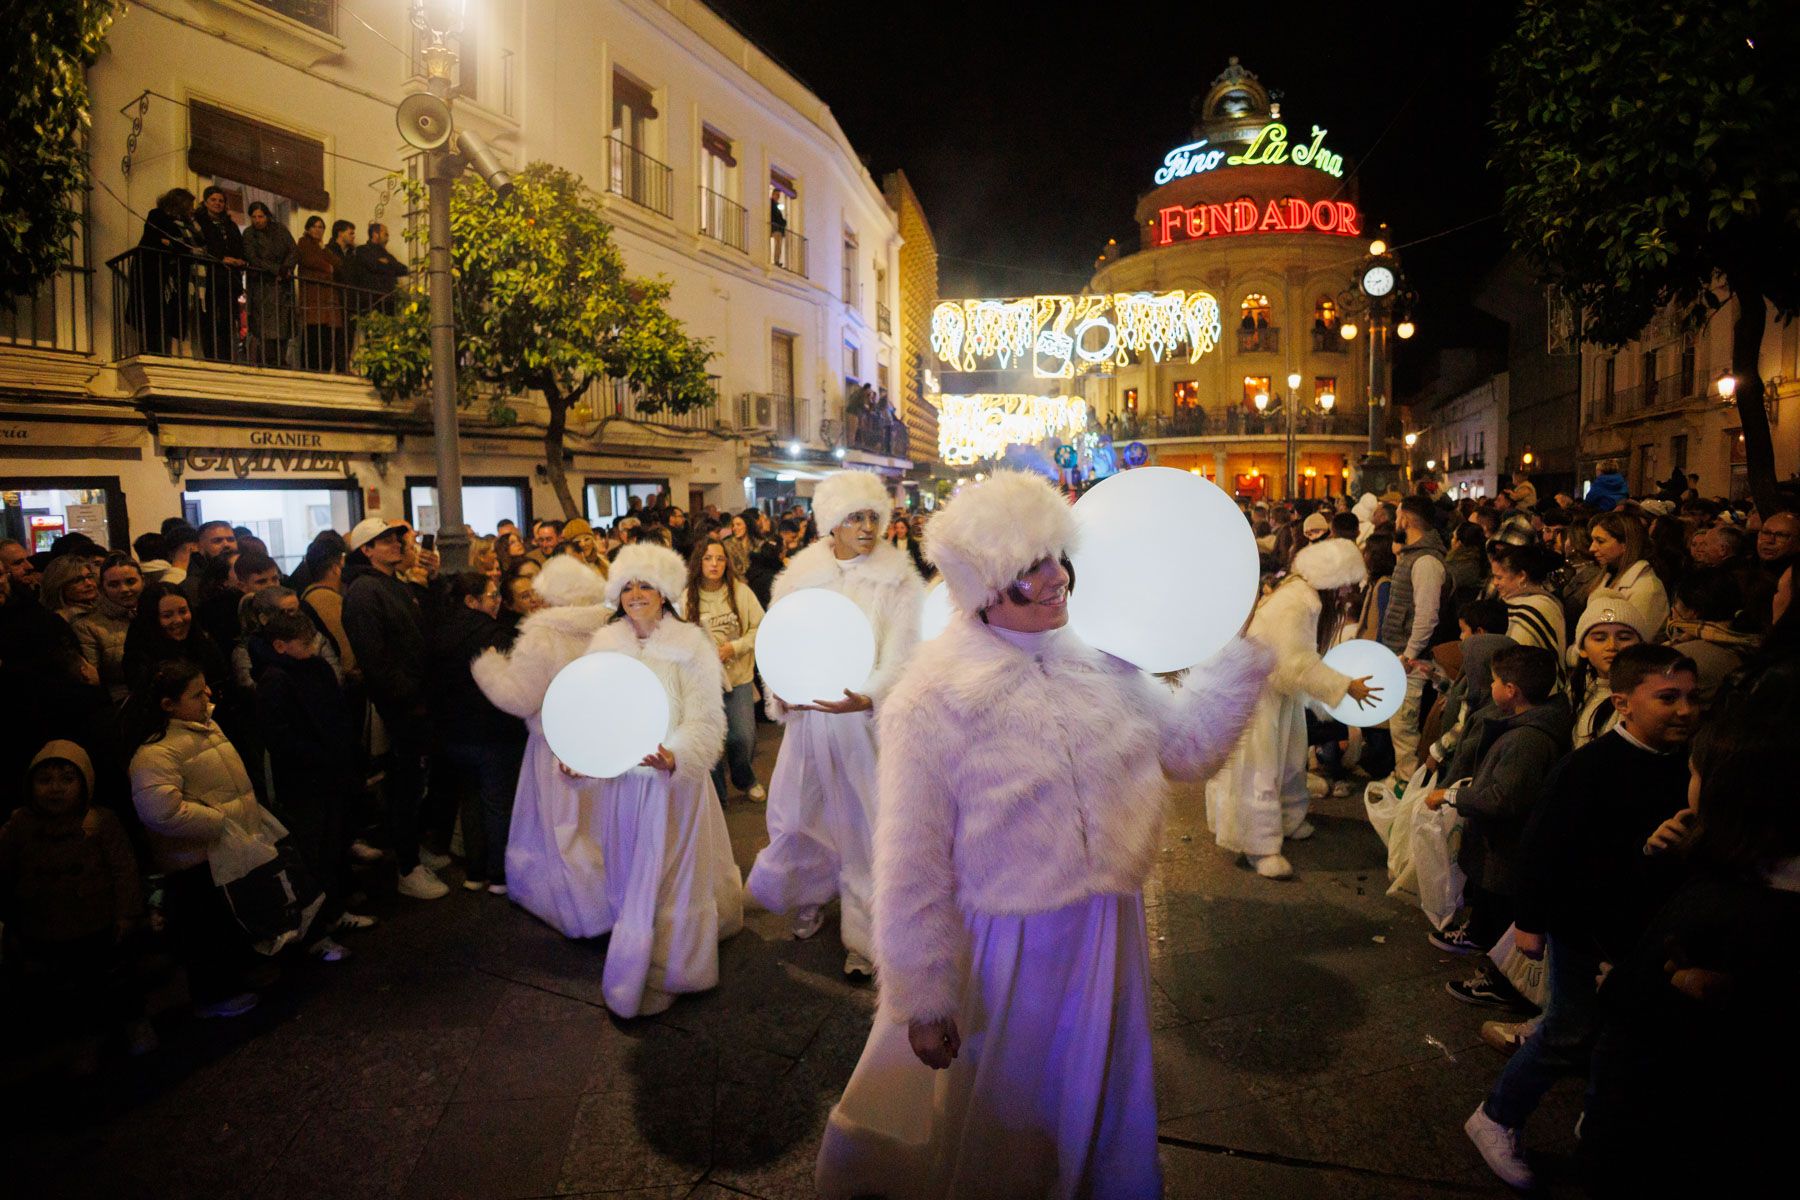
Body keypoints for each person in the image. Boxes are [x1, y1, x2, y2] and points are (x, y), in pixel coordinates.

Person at [815, 471, 1272, 1197]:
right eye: (1032, 567)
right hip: (1010, 946)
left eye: (1059, 556)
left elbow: (1188, 749)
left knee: (1104, 1091)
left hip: (1108, 928)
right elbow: (911, 862)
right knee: (1013, 1111)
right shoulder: (930, 699)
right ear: (984, 589)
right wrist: (923, 997)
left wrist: (1237, 655)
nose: (1058, 577)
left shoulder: (1104, 658)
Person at [1463, 645, 1699, 1190]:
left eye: (1693, 697)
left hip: (1639, 931)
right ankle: (1496, 1116)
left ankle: (1598, 1121)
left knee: (1615, 1034)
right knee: (1567, 1033)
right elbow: (1542, 844)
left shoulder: (1685, 764)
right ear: (1623, 703)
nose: (1685, 710)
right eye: (1668, 698)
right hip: (1584, 928)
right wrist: (1529, 922)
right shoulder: (1590, 766)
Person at [746, 470, 924, 978]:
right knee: (796, 816)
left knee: (864, 825)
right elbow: (778, 643)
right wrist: (781, 691)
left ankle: (866, 937)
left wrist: (868, 698)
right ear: (832, 523)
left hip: (861, 727)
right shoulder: (799, 576)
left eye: (873, 516)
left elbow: (904, 657)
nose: (867, 527)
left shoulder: (899, 581)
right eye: (855, 517)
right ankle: (805, 898)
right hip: (808, 724)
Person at [568, 544, 742, 1017]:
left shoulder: (691, 645)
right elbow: (592, 715)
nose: (636, 594)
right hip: (624, 786)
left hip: (672, 786)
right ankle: (639, 949)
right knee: (630, 868)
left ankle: (672, 966)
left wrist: (676, 756)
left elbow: (706, 719)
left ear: (664, 593)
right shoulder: (605, 647)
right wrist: (580, 757)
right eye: (627, 586)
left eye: (646, 585)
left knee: (672, 875)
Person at [1205, 537, 1372, 878]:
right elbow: (1295, 664)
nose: (1349, 591)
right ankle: (1259, 845)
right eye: (1347, 583)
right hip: (1260, 694)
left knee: (1289, 760)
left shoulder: (1302, 596)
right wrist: (1344, 685)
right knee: (1259, 770)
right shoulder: (1296, 603)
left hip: (1277, 693)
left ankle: (1286, 818)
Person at [471, 556, 613, 935]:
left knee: (559, 827)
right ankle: (609, 901)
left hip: (555, 745)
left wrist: (489, 669)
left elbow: (520, 698)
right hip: (599, 740)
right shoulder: (607, 628)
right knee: (597, 826)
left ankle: (580, 910)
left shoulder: (542, 635)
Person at [126, 662, 272, 1018]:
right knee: (205, 928)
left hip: (223, 849)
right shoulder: (155, 753)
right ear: (168, 705)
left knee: (229, 918)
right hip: (194, 859)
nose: (207, 695)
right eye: (195, 693)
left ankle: (239, 974)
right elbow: (160, 811)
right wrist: (217, 821)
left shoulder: (206, 727)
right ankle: (213, 995)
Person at [0, 741, 154, 1062]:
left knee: (117, 978)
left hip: (98, 919)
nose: (55, 788)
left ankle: (134, 1024)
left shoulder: (100, 821)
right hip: (49, 926)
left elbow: (123, 868)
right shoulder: (19, 827)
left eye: (67, 779)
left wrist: (127, 913)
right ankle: (88, 1038)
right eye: (45, 780)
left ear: (85, 783)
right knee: (71, 989)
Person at [1423, 645, 1570, 971]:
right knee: (1490, 895)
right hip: (1498, 844)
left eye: (1494, 681)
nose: (1490, 687)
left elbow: (1503, 798)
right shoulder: (1522, 723)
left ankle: (1498, 967)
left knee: (1500, 902)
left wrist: (1452, 796)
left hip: (1506, 843)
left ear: (1511, 690)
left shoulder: (1526, 740)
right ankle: (1479, 933)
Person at [254, 611, 367, 960]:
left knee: (333, 847)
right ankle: (315, 933)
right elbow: (280, 738)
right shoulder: (275, 680)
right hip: (305, 783)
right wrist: (320, 755)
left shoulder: (315, 668)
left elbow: (337, 712)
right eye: (305, 642)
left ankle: (334, 912)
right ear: (280, 646)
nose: (314, 645)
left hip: (332, 774)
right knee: (312, 855)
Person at [341, 517, 442, 899]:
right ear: (366, 550)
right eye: (385, 541)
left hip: (414, 702)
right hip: (400, 709)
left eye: (396, 539)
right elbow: (376, 660)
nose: (396, 544)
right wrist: (409, 699)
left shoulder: (391, 584)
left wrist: (432, 581)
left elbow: (422, 632)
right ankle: (406, 867)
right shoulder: (365, 592)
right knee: (403, 788)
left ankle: (411, 850)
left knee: (414, 786)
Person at [429, 573, 526, 894]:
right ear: (471, 601)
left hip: (453, 734)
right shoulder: (493, 634)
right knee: (498, 804)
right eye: (491, 596)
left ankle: (474, 872)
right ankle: (498, 876)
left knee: (470, 801)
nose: (497, 601)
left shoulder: (439, 632)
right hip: (493, 732)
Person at [680, 540, 765, 804]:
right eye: (708, 558)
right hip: (704, 682)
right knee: (712, 740)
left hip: (739, 678)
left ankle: (745, 779)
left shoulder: (740, 592)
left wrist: (735, 647)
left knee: (742, 736)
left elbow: (761, 627)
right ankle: (717, 796)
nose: (714, 564)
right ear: (699, 562)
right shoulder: (687, 597)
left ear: (727, 563)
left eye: (719, 559)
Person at [1380, 496, 1449, 781]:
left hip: (1414, 659)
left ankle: (1407, 782)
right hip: (1405, 653)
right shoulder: (1413, 556)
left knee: (1405, 726)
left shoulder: (1426, 562)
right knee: (1400, 725)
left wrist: (1409, 653)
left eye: (1397, 516)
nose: (1395, 522)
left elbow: (1426, 616)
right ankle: (1403, 776)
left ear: (1406, 519)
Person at [1567, 591, 1654, 748]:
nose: (1612, 646)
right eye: (1600, 638)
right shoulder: (1577, 689)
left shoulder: (1645, 700)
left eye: (1624, 638)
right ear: (1582, 649)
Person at [122, 581, 230, 701]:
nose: (178, 620)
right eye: (167, 616)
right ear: (151, 620)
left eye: (183, 611)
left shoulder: (202, 641)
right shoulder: (138, 656)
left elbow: (222, 682)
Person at [1664, 568, 1756, 703]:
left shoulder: (1682, 657)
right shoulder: (1743, 641)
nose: (1672, 609)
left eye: (1676, 602)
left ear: (1693, 612)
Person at [131, 188, 201, 354]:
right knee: (153, 312)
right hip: (154, 271)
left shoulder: (186, 223)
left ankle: (165, 351)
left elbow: (195, 242)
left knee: (170, 315)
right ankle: (153, 350)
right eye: (189, 205)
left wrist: (174, 243)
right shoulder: (157, 215)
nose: (191, 209)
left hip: (174, 275)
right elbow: (157, 239)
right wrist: (174, 245)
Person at [72, 554, 144, 703]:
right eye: (114, 585)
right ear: (102, 588)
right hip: (121, 702)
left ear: (143, 580)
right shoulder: (88, 626)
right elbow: (92, 679)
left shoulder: (156, 612)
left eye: (130, 581)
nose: (124, 589)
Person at [1584, 511, 1670, 633]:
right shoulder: (1608, 575)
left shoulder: (1646, 589)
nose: (1591, 548)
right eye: (1592, 540)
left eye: (1600, 541)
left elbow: (1640, 637)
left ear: (1625, 544)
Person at [191, 186, 248, 362]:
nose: (217, 203)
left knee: (228, 319)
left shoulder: (230, 225)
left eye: (221, 200)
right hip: (209, 277)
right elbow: (199, 246)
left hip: (230, 279)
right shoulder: (198, 222)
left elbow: (239, 246)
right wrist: (220, 258)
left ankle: (226, 357)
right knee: (208, 318)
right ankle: (210, 356)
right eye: (213, 200)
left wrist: (240, 260)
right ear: (205, 202)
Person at [241, 202, 296, 367]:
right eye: (254, 217)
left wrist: (286, 269)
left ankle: (281, 359)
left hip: (282, 285)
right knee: (264, 326)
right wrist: (276, 270)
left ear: (267, 216)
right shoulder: (249, 234)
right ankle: (267, 361)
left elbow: (293, 250)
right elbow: (253, 257)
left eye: (261, 216)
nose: (257, 220)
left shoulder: (280, 230)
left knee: (283, 324)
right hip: (262, 284)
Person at [1488, 541, 1567, 653]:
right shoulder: (1507, 603)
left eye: (1499, 577)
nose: (1495, 583)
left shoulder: (1541, 606)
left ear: (1521, 576)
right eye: (1494, 577)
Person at [296, 215, 344, 372]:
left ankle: (323, 368)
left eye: (321, 227)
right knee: (312, 335)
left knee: (325, 336)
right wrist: (328, 269)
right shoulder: (303, 243)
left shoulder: (322, 247)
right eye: (314, 226)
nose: (318, 230)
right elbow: (310, 261)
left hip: (325, 300)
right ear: (308, 228)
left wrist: (324, 249)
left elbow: (338, 264)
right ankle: (309, 368)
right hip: (312, 297)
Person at [346, 222, 410, 305]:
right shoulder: (362, 250)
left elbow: (402, 269)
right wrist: (389, 265)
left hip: (389, 301)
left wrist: (386, 263)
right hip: (371, 301)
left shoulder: (387, 255)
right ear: (375, 234)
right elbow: (374, 266)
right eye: (385, 234)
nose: (388, 238)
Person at [40, 555, 99, 626]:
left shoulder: (102, 609)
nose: (89, 583)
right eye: (78, 580)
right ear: (59, 586)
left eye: (90, 576)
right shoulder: (61, 622)